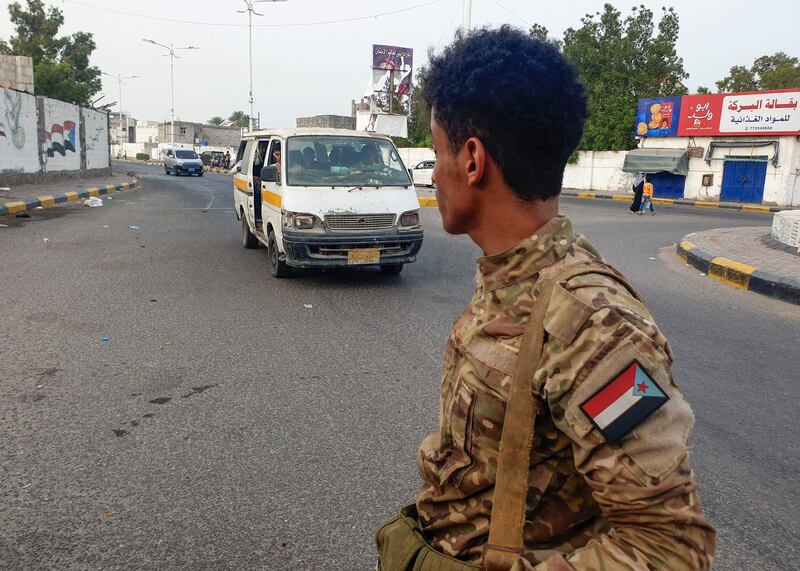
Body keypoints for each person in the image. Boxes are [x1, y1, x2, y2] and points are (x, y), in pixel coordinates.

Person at [375, 26, 715, 571]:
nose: (432, 176)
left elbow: (669, 546)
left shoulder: (592, 322)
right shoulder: (509, 278)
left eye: (436, 153)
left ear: (471, 159)